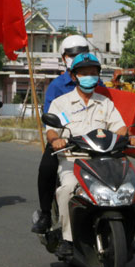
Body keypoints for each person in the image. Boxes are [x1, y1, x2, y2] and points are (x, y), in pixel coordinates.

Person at [44, 53, 135, 257]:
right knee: (68, 189)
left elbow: (119, 127)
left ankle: (128, 236)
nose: (89, 77)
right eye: (84, 73)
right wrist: (56, 140)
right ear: (74, 77)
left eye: (93, 73)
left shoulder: (105, 103)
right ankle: (68, 240)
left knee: (128, 188)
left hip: (105, 159)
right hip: (73, 159)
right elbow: (51, 130)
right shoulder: (61, 103)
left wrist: (130, 137)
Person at [32, 35, 95, 234]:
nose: (76, 58)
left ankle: (123, 216)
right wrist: (59, 136)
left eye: (81, 54)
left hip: (95, 143)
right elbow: (51, 117)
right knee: (47, 167)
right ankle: (44, 213)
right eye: (72, 55)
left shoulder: (98, 84)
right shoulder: (57, 86)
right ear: (64, 58)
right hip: (66, 140)